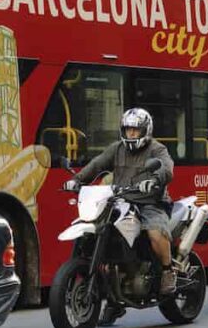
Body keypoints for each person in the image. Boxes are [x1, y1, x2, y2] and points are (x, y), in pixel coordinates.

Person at [65, 108, 176, 294]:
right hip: (122, 202)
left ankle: (167, 271)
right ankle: (114, 292)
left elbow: (167, 168)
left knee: (155, 234)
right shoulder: (117, 149)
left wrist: (155, 180)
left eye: (136, 130)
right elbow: (97, 164)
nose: (131, 133)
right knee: (103, 230)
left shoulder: (157, 149)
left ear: (145, 130)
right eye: (127, 129)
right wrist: (77, 180)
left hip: (151, 203)